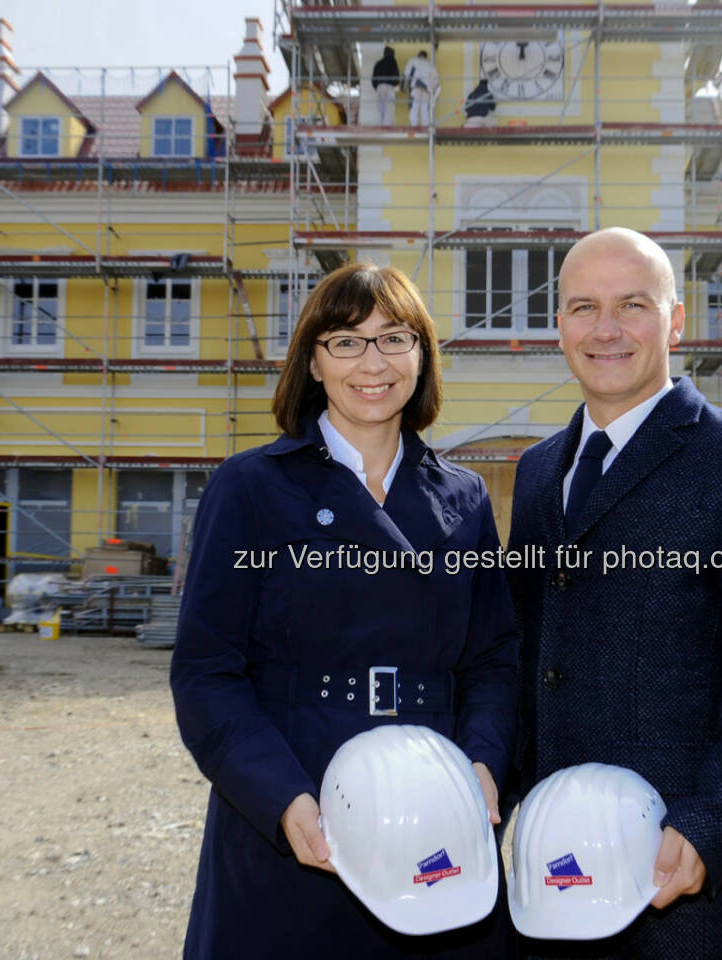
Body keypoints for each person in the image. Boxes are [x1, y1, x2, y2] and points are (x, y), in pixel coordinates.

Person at [171, 261, 519, 959]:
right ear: (314, 361)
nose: (373, 362)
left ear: (422, 357)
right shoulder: (248, 490)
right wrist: (281, 798)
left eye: (395, 338)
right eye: (346, 341)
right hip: (298, 797)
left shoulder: (465, 497)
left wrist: (483, 764)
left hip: (434, 801)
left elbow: (493, 660)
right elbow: (208, 671)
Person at [506, 228, 722, 959]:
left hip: (673, 878)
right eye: (584, 307)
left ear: (676, 321)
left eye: (634, 305)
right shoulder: (538, 471)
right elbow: (527, 652)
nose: (606, 329)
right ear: (560, 327)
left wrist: (712, 826)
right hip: (552, 864)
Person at [403, 50, 439, 127]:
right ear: (425, 57)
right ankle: (425, 127)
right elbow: (435, 81)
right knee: (425, 109)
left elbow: (407, 73)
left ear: (418, 55)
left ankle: (414, 126)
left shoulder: (413, 60)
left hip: (416, 87)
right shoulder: (431, 65)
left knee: (414, 107)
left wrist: (404, 87)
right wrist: (433, 92)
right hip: (427, 90)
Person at [371, 45, 401, 126]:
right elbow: (396, 76)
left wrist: (376, 87)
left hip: (379, 87)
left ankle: (380, 126)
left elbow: (373, 78)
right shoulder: (393, 61)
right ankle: (387, 127)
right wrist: (395, 85)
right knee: (389, 108)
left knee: (381, 109)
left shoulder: (379, 63)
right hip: (389, 87)